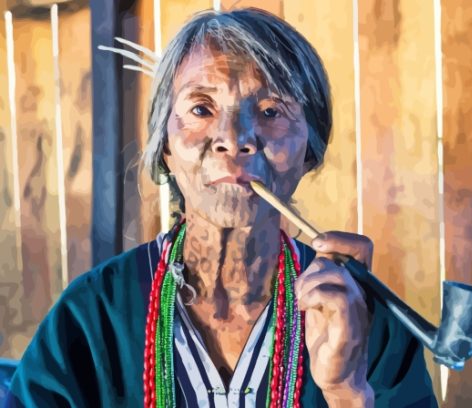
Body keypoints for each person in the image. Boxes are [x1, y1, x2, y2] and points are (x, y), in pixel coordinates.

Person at [5, 8, 437, 408]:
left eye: (270, 110)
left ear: (310, 151)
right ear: (165, 150)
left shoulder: (362, 318)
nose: (235, 138)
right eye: (201, 108)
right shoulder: (93, 315)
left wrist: (347, 392)